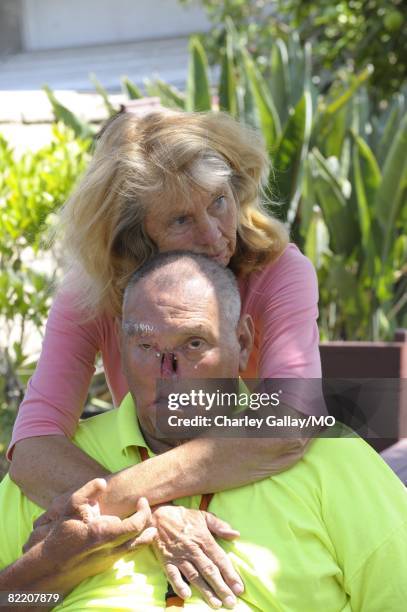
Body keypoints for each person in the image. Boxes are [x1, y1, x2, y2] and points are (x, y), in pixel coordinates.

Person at [8, 110, 322, 599]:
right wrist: (161, 516)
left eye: (219, 202)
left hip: (269, 502)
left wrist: (125, 503)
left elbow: (288, 422)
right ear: (136, 237)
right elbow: (32, 444)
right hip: (146, 500)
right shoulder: (91, 293)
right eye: (181, 219)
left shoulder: (278, 270)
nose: (217, 234)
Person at [1, 252, 406, 611]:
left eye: (193, 344)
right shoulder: (56, 465)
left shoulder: (334, 459)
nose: (167, 374)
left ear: (243, 342)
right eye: (146, 346)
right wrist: (50, 572)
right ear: (120, 347)